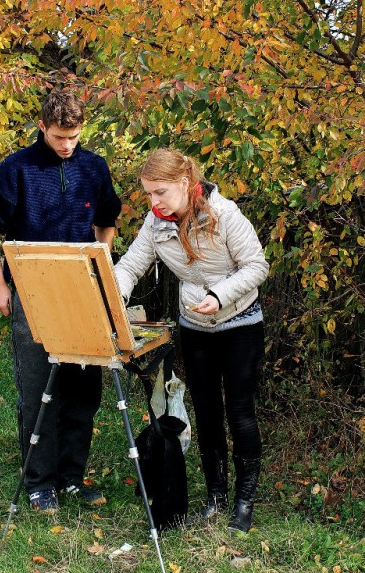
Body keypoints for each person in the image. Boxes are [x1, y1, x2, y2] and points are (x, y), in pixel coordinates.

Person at [0, 91, 121, 514]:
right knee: (39, 391)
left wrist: (101, 261)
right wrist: (0, 286)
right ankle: (40, 483)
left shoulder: (94, 167)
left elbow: (107, 219)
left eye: (74, 136)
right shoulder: (16, 168)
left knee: (83, 391)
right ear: (42, 127)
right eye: (59, 136)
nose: (67, 145)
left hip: (82, 292)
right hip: (32, 292)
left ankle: (72, 478)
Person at [114, 149, 269, 532]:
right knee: (207, 413)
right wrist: (114, 295)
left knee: (240, 413)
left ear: (185, 184)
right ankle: (216, 495)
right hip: (195, 327)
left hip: (240, 323)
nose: (154, 202)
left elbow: (257, 265)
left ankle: (244, 502)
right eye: (149, 194)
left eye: (161, 192)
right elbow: (131, 266)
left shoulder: (225, 214)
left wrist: (220, 295)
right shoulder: (156, 222)